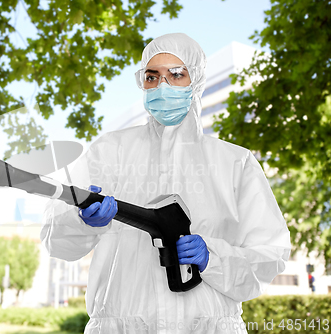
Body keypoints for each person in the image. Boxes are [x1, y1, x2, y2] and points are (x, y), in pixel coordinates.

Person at [40, 33, 291, 334]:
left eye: (175, 75)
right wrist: (81, 221)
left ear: (195, 80)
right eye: (152, 77)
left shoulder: (234, 163)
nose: (162, 86)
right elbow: (54, 238)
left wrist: (214, 257)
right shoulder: (109, 152)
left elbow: (270, 254)